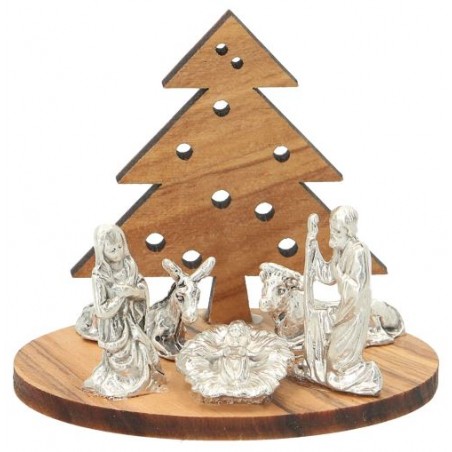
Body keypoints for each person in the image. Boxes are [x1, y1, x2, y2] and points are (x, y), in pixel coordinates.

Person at [304, 206, 382, 396]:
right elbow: (327, 275)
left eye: (338, 231)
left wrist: (339, 273)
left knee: (337, 364)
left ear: (348, 231)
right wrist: (312, 242)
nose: (333, 234)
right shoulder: (340, 249)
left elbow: (356, 289)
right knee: (333, 361)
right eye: (332, 229)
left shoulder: (358, 251)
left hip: (355, 313)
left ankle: (369, 375)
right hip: (344, 312)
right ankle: (341, 375)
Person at [83, 225, 164, 398]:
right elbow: (101, 310)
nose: (118, 252)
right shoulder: (99, 275)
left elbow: (142, 290)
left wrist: (131, 291)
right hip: (115, 329)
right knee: (121, 360)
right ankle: (121, 379)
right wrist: (120, 297)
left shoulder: (129, 265)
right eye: (112, 250)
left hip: (132, 322)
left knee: (144, 349)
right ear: (102, 251)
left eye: (120, 246)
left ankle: (144, 379)